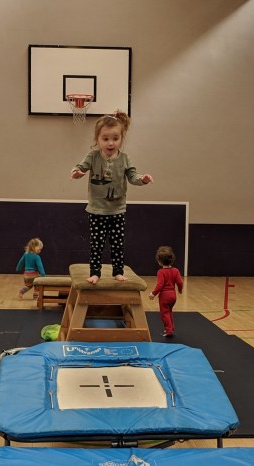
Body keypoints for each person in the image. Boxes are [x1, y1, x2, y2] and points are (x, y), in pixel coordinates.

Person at [70, 111, 153, 284]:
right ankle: (95, 273)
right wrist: (76, 173)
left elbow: (133, 176)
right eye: (105, 138)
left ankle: (118, 271)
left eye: (115, 138)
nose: (110, 143)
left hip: (117, 210)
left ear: (121, 139)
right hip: (97, 211)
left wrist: (143, 179)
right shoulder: (93, 156)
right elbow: (80, 167)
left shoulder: (125, 159)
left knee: (117, 244)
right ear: (97, 139)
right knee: (97, 244)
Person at [148, 245, 183, 337]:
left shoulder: (161, 272)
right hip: (173, 296)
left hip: (164, 296)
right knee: (169, 311)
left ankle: (168, 330)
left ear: (159, 261)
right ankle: (171, 328)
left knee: (164, 313)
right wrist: (180, 290)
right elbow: (180, 282)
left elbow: (160, 285)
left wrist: (153, 293)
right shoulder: (176, 270)